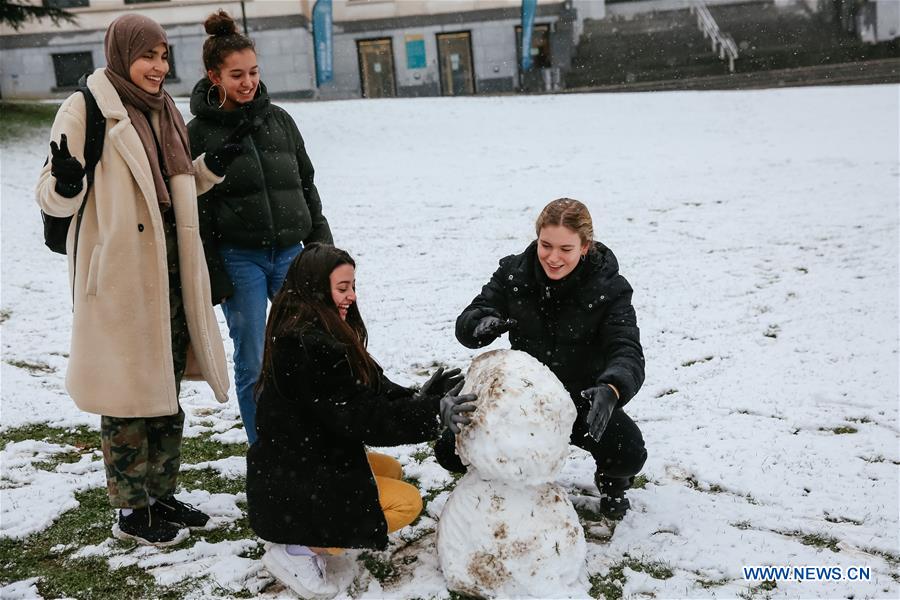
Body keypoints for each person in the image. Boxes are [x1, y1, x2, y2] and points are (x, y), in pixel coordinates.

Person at [34, 14, 245, 545]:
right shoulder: (85, 107)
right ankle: (130, 510)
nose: (158, 67)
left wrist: (207, 169)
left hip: (171, 268)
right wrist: (64, 179)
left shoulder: (164, 109)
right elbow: (53, 193)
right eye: (148, 56)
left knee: (166, 385)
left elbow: (167, 192)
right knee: (126, 391)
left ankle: (161, 493)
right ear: (122, 54)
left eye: (164, 55)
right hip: (121, 273)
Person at [246, 243, 476, 599]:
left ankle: (314, 536)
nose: (352, 296)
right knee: (405, 503)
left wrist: (419, 397)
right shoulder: (306, 346)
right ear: (315, 288)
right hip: (292, 484)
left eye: (353, 286)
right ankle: (298, 551)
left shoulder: (318, 329)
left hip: (300, 464)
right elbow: (364, 418)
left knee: (389, 471)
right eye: (342, 288)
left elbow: (367, 388)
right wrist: (432, 414)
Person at [444, 198, 647, 520]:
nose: (553, 258)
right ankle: (495, 483)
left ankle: (612, 485)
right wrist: (478, 323)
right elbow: (472, 316)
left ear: (585, 246)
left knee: (628, 451)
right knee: (448, 451)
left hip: (579, 397)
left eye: (566, 249)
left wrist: (612, 389)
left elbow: (626, 348)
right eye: (545, 245)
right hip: (520, 394)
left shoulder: (610, 288)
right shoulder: (514, 273)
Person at [187, 10, 333, 445]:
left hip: (292, 254)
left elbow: (305, 183)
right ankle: (265, 449)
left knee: (314, 344)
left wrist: (320, 245)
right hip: (241, 259)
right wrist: (216, 272)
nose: (248, 82)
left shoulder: (281, 120)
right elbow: (199, 210)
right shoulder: (199, 133)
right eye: (236, 74)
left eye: (253, 72)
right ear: (214, 76)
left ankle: (321, 436)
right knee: (253, 359)